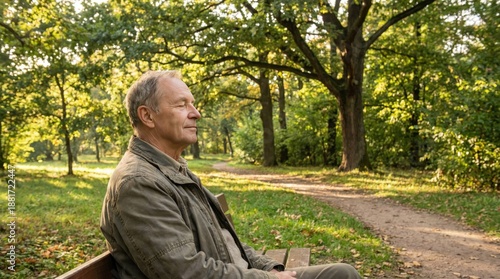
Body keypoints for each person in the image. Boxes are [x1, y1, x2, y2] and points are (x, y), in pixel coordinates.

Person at [100, 70, 362, 279]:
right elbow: (185, 273)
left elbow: (223, 243)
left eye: (193, 104)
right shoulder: (139, 183)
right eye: (182, 105)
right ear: (147, 116)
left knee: (341, 273)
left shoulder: (172, 168)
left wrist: (268, 268)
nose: (196, 113)